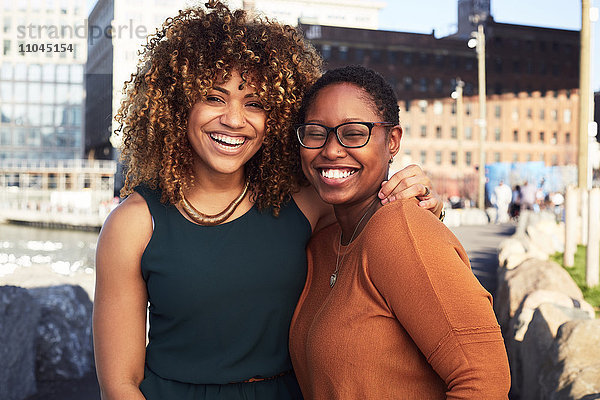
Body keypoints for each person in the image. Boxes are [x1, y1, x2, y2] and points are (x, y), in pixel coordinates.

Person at [92, 3, 443, 400]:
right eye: (214, 97)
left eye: (255, 103)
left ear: (275, 117)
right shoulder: (134, 224)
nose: (235, 119)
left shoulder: (307, 205)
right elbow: (120, 383)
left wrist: (427, 200)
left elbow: (393, 226)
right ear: (177, 105)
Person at [289, 66, 511, 399]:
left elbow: (484, 378)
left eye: (352, 133)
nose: (331, 150)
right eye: (316, 132)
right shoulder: (322, 243)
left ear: (392, 140)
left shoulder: (401, 231)